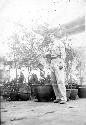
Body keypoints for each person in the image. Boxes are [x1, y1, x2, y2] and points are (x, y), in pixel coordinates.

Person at [44, 35, 67, 104]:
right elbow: (48, 55)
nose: (50, 38)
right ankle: (58, 97)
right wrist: (48, 63)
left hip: (58, 62)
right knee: (54, 81)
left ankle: (63, 98)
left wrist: (61, 63)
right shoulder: (50, 45)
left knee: (60, 80)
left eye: (51, 36)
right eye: (49, 36)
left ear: (55, 36)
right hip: (52, 63)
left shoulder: (60, 43)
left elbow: (63, 54)